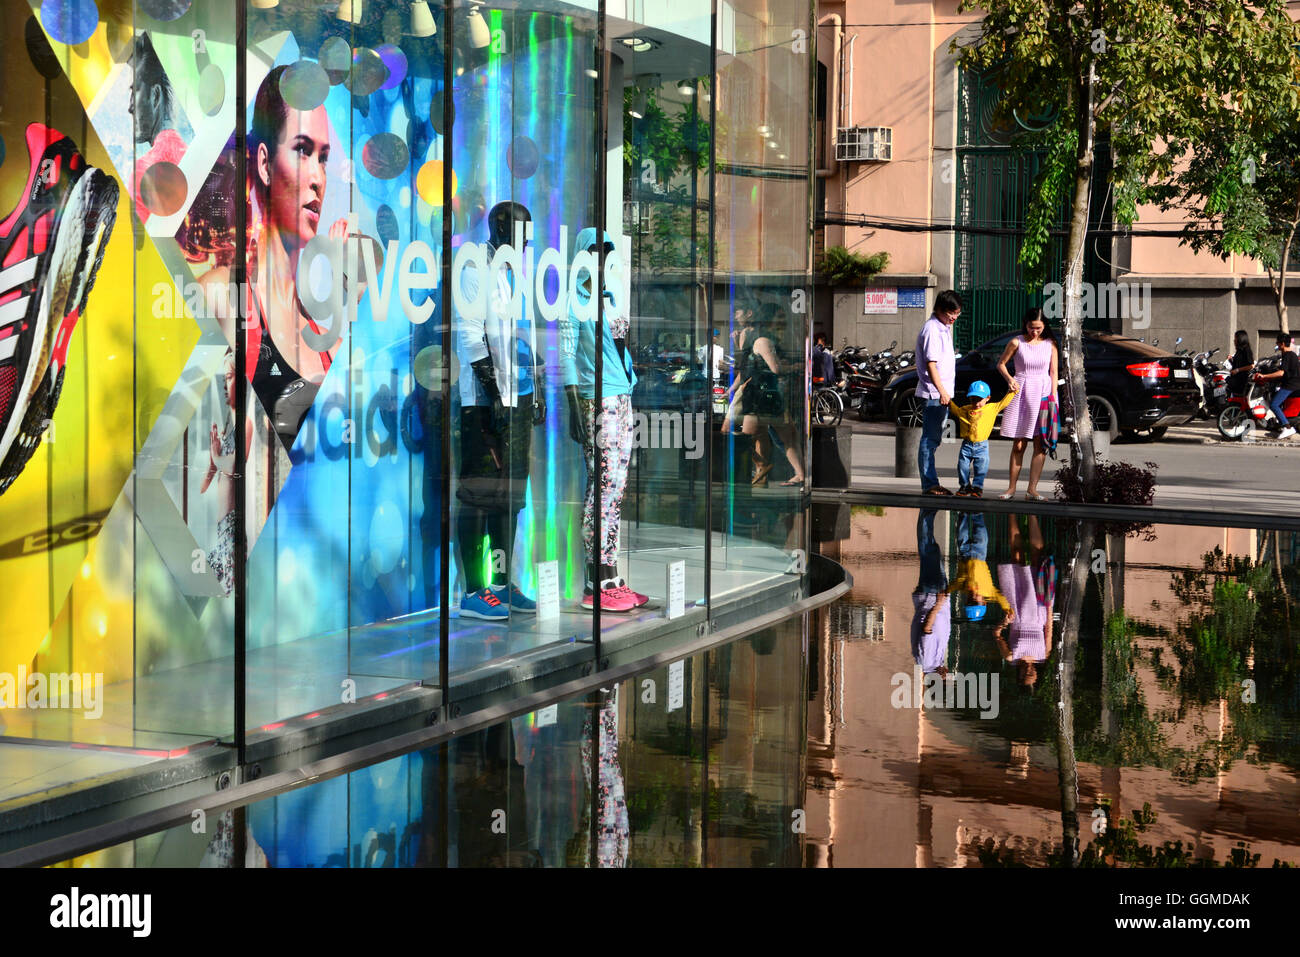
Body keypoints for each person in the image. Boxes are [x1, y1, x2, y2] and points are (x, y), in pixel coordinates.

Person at [198, 64, 354, 451]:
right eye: (302, 151)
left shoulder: (327, 338)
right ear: (265, 164)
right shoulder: (221, 297)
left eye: (324, 157)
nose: (319, 176)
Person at [454, 202, 545, 619]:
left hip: (516, 397)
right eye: (524, 231)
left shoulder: (511, 271)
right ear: (503, 227)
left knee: (509, 496)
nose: (528, 240)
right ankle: (473, 591)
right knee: (478, 494)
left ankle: (502, 583)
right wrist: (493, 398)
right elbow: (471, 338)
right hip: (484, 403)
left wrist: (533, 389)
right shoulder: (475, 266)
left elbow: (521, 336)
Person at [561, 228, 649, 612]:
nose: (599, 259)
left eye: (605, 252)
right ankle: (595, 578)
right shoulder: (574, 299)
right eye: (594, 251)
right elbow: (565, 353)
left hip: (622, 393)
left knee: (616, 485)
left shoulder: (609, 295)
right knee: (602, 485)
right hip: (594, 397)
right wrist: (571, 403)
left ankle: (611, 573)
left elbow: (620, 346)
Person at [995, 308, 1058, 501]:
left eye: (1038, 328)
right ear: (1026, 324)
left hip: (1043, 394)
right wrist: (1009, 379)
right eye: (1032, 327)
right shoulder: (1016, 342)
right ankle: (1011, 488)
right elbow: (1001, 364)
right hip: (1021, 393)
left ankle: (1033, 488)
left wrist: (1053, 397)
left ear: (1044, 326)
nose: (1035, 332)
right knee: (1019, 444)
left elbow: (1054, 372)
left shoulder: (1050, 345)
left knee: (1040, 444)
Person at [741, 303, 805, 487]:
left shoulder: (765, 339)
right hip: (763, 397)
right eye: (779, 316)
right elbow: (776, 369)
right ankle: (768, 467)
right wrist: (793, 367)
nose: (783, 321)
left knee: (751, 438)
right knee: (786, 438)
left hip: (760, 397)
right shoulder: (764, 341)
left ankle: (777, 470)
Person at [994, 513, 1054, 690]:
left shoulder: (1011, 657)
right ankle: (1032, 513)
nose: (1029, 673)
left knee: (1016, 557)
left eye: (1025, 676)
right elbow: (1049, 630)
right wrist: (1049, 606)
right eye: (1032, 676)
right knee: (1038, 559)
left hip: (1018, 612)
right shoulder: (1043, 654)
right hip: (1040, 611)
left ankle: (1011, 513)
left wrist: (1004, 623)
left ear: (1019, 676)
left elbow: (996, 634)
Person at [915, 290, 962, 495]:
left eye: (957, 313)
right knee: (930, 439)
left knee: (933, 439)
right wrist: (942, 391)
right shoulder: (932, 330)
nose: (954, 317)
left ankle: (931, 482)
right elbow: (931, 365)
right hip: (934, 393)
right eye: (951, 313)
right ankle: (929, 484)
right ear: (940, 310)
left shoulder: (944, 327)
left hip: (941, 393)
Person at [948, 379, 1018, 497]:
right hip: (967, 444)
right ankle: (964, 486)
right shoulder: (965, 410)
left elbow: (1004, 403)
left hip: (982, 445)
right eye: (973, 399)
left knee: (981, 468)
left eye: (979, 400)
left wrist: (1012, 392)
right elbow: (955, 409)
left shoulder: (991, 408)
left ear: (988, 398)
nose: (976, 403)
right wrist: (947, 400)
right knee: (962, 466)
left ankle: (977, 487)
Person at [911, 508, 951, 677]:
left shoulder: (927, 661)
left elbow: (927, 628)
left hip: (931, 597)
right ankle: (928, 511)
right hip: (935, 596)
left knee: (928, 549)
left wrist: (939, 603)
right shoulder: (935, 663)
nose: (947, 674)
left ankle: (928, 509)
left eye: (944, 678)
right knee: (931, 550)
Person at [1254, 332, 1300, 439]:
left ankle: (1288, 428)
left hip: (1290, 386)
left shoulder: (1288, 355)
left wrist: (1265, 376)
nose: (1277, 345)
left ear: (1283, 344)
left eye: (1278, 343)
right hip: (1292, 385)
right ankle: (1280, 424)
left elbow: (1281, 372)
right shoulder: (1291, 355)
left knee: (1274, 404)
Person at [1226, 329, 1254, 397]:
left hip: (1241, 380)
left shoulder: (1246, 350)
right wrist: (1231, 360)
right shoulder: (1239, 350)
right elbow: (1238, 364)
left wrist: (1237, 370)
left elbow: (1251, 366)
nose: (1234, 340)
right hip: (1235, 378)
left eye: (1235, 338)